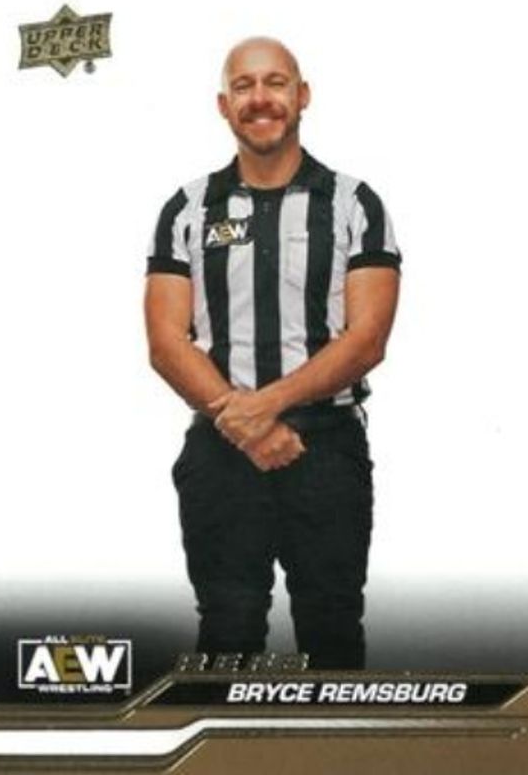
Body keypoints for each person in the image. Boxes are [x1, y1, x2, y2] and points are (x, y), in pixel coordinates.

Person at [145, 37, 401, 669]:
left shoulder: (354, 204)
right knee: (226, 634)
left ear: (302, 95)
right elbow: (166, 342)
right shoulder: (188, 208)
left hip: (327, 449)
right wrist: (245, 424)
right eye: (244, 86)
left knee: (332, 631)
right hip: (220, 450)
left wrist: (265, 408)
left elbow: (367, 338)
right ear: (223, 105)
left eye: (276, 82)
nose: (260, 98)